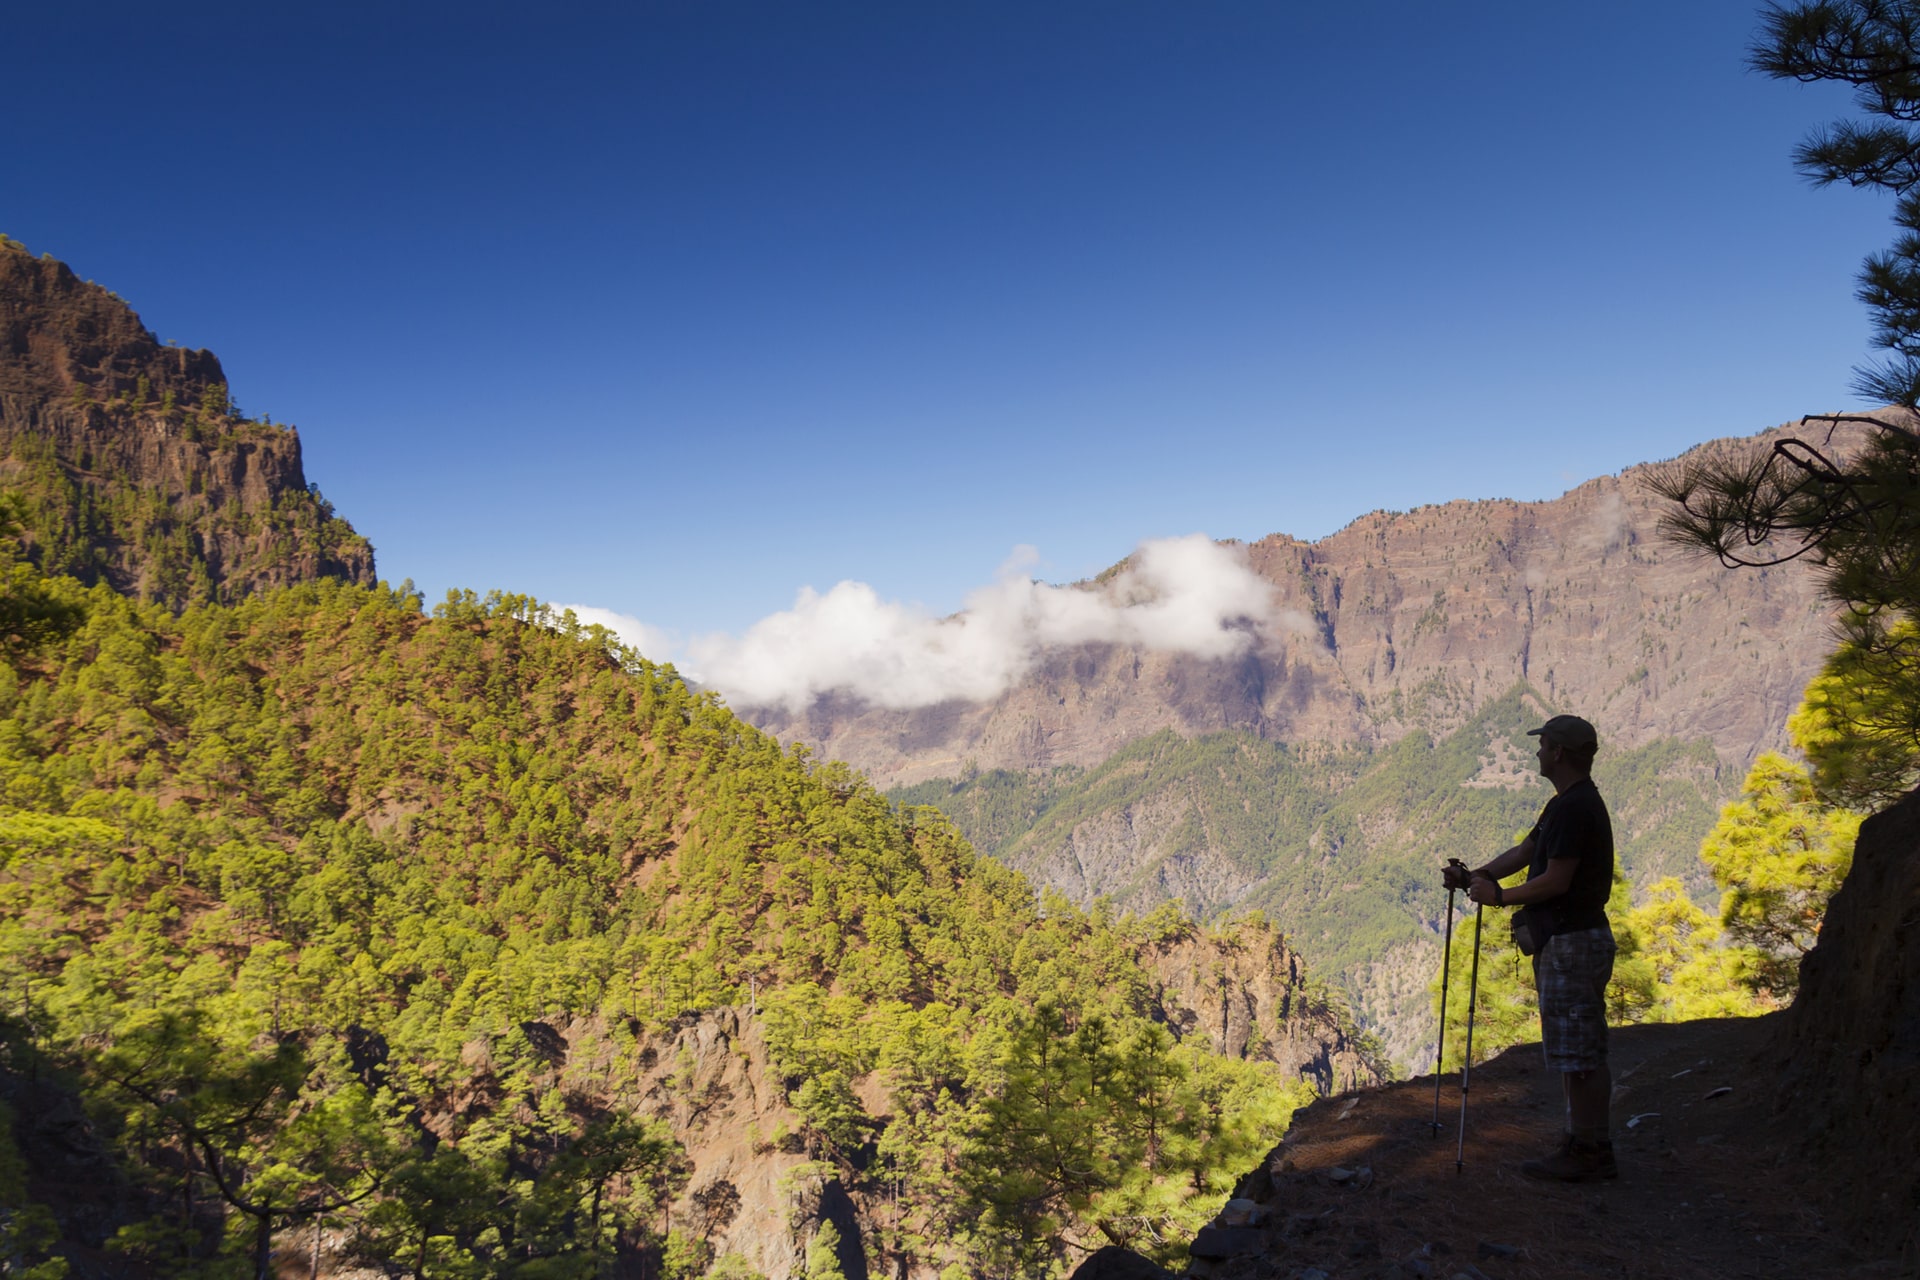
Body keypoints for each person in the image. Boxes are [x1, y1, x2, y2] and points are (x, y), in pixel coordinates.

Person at [1442, 713, 1618, 1181]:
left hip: (1572, 941)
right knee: (1577, 1048)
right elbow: (1524, 854)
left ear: (1558, 752)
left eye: (1543, 746)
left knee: (1579, 1053)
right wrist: (1475, 876)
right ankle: (1585, 1139)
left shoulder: (1573, 809)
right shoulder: (1566, 805)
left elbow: (1554, 881)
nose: (1537, 752)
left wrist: (1498, 897)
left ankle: (1588, 1150)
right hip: (1576, 938)